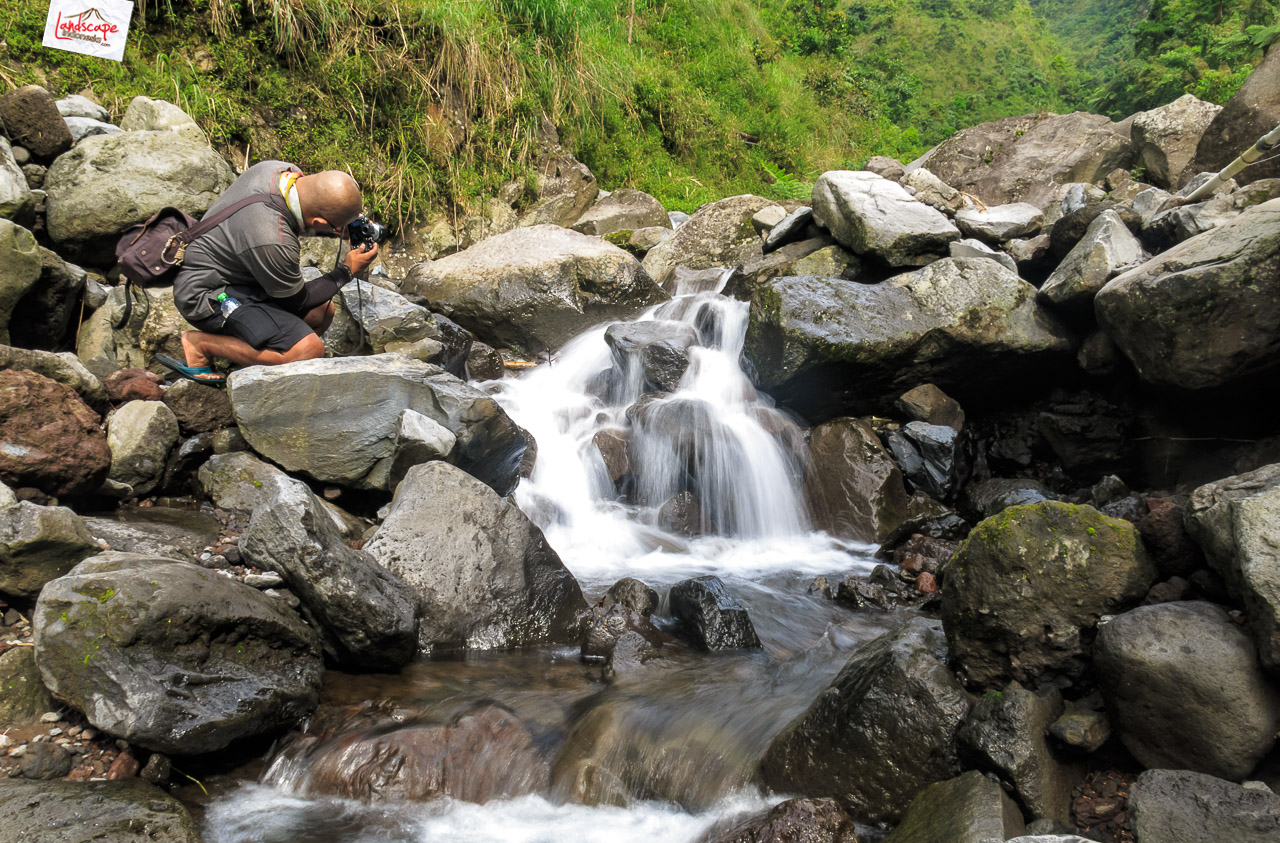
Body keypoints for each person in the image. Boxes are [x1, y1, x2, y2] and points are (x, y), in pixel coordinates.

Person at [164, 161, 380, 384]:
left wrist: (340, 225)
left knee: (322, 312)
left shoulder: (279, 170)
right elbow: (296, 302)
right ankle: (200, 345)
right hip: (205, 295)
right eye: (335, 227)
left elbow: (302, 214)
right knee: (308, 350)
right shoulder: (272, 239)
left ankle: (255, 359)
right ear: (319, 222)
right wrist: (346, 271)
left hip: (238, 276)